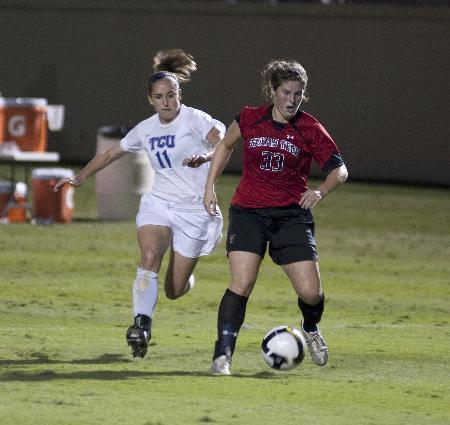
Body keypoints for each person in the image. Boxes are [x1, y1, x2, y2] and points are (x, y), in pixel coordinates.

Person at [55, 48, 225, 359]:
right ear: (150, 100)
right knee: (149, 256)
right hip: (159, 203)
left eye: (171, 95)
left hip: (194, 208)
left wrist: (206, 156)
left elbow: (224, 143)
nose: (166, 102)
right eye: (159, 97)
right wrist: (80, 178)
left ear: (178, 93)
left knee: (174, 290)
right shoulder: (145, 129)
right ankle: (141, 325)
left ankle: (185, 278)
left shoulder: (195, 119)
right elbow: (109, 154)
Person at [203, 59, 348, 375]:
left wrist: (321, 191)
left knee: (311, 293)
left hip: (291, 217)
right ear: (272, 91)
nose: (292, 100)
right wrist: (209, 187)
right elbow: (225, 146)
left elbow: (340, 169)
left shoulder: (310, 128)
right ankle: (222, 356)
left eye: (298, 93)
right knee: (241, 282)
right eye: (286, 92)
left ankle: (310, 328)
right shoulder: (249, 118)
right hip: (248, 212)